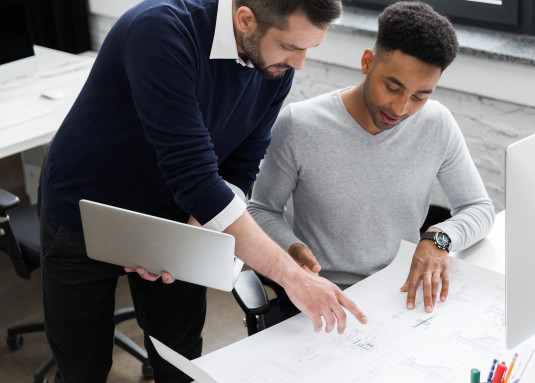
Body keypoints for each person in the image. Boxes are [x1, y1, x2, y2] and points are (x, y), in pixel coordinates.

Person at [39, 0, 367, 382]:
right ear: (246, 20)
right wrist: (296, 279)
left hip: (177, 216)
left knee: (180, 360)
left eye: (308, 48)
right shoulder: (159, 29)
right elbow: (194, 176)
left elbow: (241, 165)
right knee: (82, 369)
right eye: (292, 47)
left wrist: (189, 238)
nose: (299, 63)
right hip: (84, 209)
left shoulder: (274, 66)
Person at [248, 1, 495, 324]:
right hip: (321, 293)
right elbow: (261, 209)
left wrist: (438, 239)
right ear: (367, 62)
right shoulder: (299, 125)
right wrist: (291, 247)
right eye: (393, 87)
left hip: (400, 291)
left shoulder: (437, 124)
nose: (402, 107)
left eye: (420, 96)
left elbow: (479, 207)